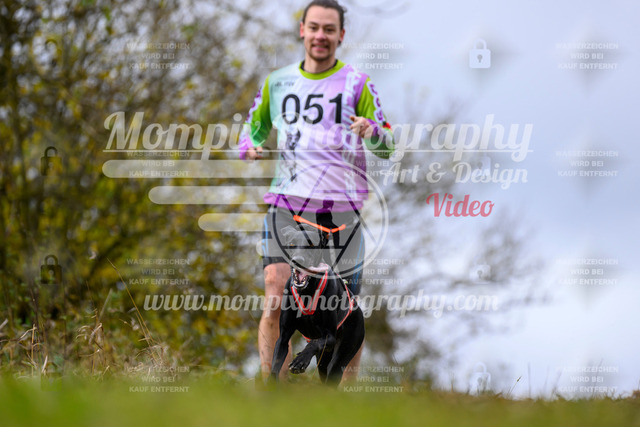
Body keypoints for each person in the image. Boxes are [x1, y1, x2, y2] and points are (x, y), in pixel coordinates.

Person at [238, 0, 394, 382]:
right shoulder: (277, 82)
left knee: (345, 310)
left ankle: (342, 401)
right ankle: (272, 393)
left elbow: (387, 145)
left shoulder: (357, 83)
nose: (320, 36)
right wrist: (250, 146)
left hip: (339, 210)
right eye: (314, 27)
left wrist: (371, 131)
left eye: (329, 29)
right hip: (286, 204)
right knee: (276, 291)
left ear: (341, 35)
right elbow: (252, 128)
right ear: (302, 30)